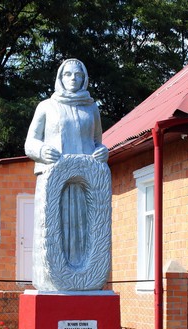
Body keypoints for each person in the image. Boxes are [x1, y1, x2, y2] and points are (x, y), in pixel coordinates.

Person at [24, 59, 111, 290]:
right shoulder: (46, 106)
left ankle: (85, 279)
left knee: (85, 229)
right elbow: (30, 143)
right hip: (55, 181)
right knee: (55, 230)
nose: (73, 79)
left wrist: (102, 151)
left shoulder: (91, 108)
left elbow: (97, 142)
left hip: (86, 185)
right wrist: (42, 151)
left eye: (78, 75)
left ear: (84, 79)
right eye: (68, 75)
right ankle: (55, 279)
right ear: (60, 78)